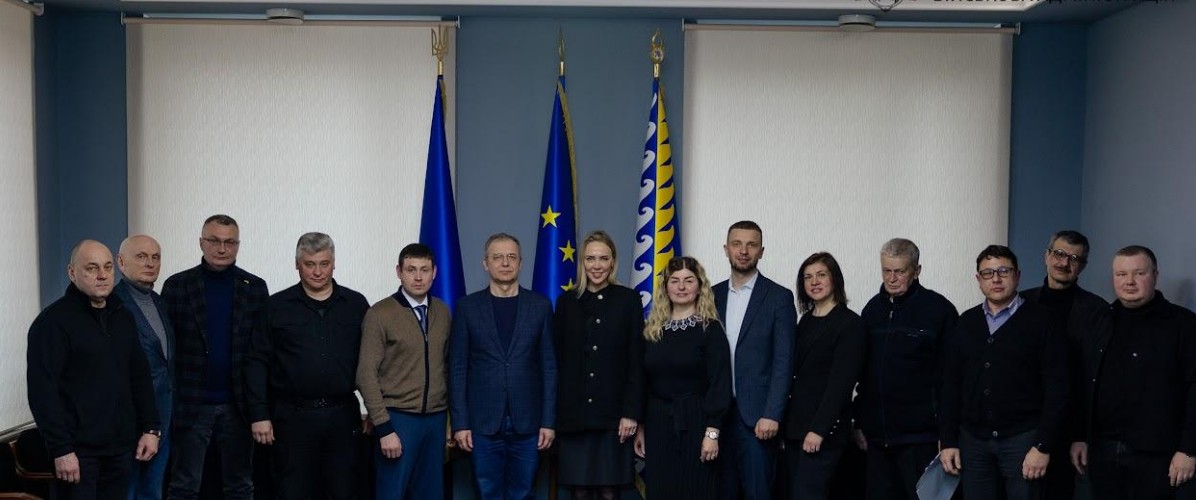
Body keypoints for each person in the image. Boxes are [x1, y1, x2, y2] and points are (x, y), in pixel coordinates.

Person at [27, 239, 161, 499]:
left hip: (121, 449)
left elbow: (139, 377)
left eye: (108, 267)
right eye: (91, 268)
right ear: (72, 272)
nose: (102, 275)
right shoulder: (52, 323)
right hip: (77, 454)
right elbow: (43, 392)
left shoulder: (123, 316)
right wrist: (61, 449)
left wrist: (151, 428)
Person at [244, 232, 369, 499]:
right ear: (297, 264)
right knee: (292, 492)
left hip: (342, 417)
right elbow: (256, 361)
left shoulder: (356, 304)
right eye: (309, 264)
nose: (317, 272)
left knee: (344, 491)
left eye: (324, 263)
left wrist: (374, 411)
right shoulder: (276, 306)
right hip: (292, 419)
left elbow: (371, 362)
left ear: (334, 263)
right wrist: (259, 414)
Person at [939, 245, 1069, 500]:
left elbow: (1059, 387)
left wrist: (1043, 445)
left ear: (1017, 276)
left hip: (1024, 441)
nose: (996, 279)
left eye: (1003, 271)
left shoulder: (1043, 321)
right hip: (973, 442)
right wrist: (948, 441)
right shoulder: (966, 322)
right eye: (987, 273)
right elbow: (950, 385)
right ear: (978, 279)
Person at [1070, 246, 1196, 500]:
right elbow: (1083, 383)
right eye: (1121, 274)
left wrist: (1189, 450)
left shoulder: (1185, 324)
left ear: (1155, 275)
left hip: (1160, 455)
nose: (1129, 281)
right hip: (1103, 451)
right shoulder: (1099, 321)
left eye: (1139, 273)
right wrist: (1080, 437)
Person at [162, 214, 268, 500]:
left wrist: (260, 408)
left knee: (240, 486)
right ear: (201, 243)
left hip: (238, 405)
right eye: (214, 241)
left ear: (238, 245)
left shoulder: (255, 287)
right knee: (184, 486)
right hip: (191, 404)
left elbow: (261, 352)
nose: (222, 248)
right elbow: (166, 351)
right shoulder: (177, 286)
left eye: (229, 242)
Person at [449, 233, 557, 500]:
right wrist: (460, 423)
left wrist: (548, 421)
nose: (505, 263)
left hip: (529, 424)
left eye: (511, 257)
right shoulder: (466, 308)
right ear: (486, 263)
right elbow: (458, 368)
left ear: (521, 263)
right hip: (482, 424)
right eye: (497, 257)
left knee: (524, 493)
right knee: (487, 493)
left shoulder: (540, 306)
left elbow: (549, 368)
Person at [855, 238, 959, 500]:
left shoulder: (939, 310)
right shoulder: (871, 311)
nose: (891, 279)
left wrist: (948, 436)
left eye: (900, 271)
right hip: (877, 440)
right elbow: (862, 374)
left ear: (916, 270)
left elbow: (952, 379)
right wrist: (859, 421)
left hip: (921, 439)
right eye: (886, 271)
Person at [554, 231, 645, 500]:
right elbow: (557, 360)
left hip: (614, 416)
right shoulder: (566, 302)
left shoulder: (628, 300)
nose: (597, 265)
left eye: (603, 258)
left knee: (609, 491)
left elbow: (636, 361)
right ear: (582, 262)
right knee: (579, 491)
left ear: (613, 261)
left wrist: (631, 413)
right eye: (591, 258)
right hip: (574, 416)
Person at [357, 243, 451, 500]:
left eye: (424, 270)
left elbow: (447, 366)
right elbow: (365, 374)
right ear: (399, 272)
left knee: (431, 494)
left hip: (435, 419)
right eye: (411, 270)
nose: (418, 277)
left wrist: (449, 422)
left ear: (435, 272)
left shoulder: (443, 311)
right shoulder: (380, 313)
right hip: (398, 419)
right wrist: (384, 427)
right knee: (391, 492)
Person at [634, 256, 732, 500]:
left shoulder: (710, 329)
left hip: (697, 423)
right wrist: (641, 427)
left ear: (700, 286)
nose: (681, 287)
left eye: (688, 280)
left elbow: (720, 385)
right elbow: (643, 383)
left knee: (696, 491)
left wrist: (712, 433)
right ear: (666, 287)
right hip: (658, 424)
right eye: (675, 280)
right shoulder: (652, 330)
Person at [1020, 230, 1107, 500]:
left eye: (1074, 258)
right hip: (1021, 424)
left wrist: (1081, 435)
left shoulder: (1097, 310)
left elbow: (1093, 378)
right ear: (1046, 256)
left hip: (1069, 427)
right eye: (1059, 254)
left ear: (1083, 266)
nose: (1064, 263)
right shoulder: (1020, 303)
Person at [712, 221, 796, 500]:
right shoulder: (710, 295)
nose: (743, 251)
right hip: (717, 418)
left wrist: (772, 413)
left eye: (751, 245)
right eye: (737, 244)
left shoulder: (779, 297)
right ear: (726, 249)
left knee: (758, 493)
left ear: (761, 251)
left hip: (758, 419)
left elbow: (784, 361)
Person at [784, 252, 866, 500]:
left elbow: (840, 385)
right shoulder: (805, 321)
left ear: (835, 279)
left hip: (823, 431)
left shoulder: (850, 324)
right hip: (796, 429)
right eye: (808, 277)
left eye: (821, 275)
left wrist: (818, 430)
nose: (814, 282)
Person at [114, 235, 174, 500]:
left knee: (152, 491)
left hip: (164, 416)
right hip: (129, 421)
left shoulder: (160, 302)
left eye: (155, 257)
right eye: (141, 256)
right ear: (121, 262)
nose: (150, 263)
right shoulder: (111, 305)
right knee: (127, 492)